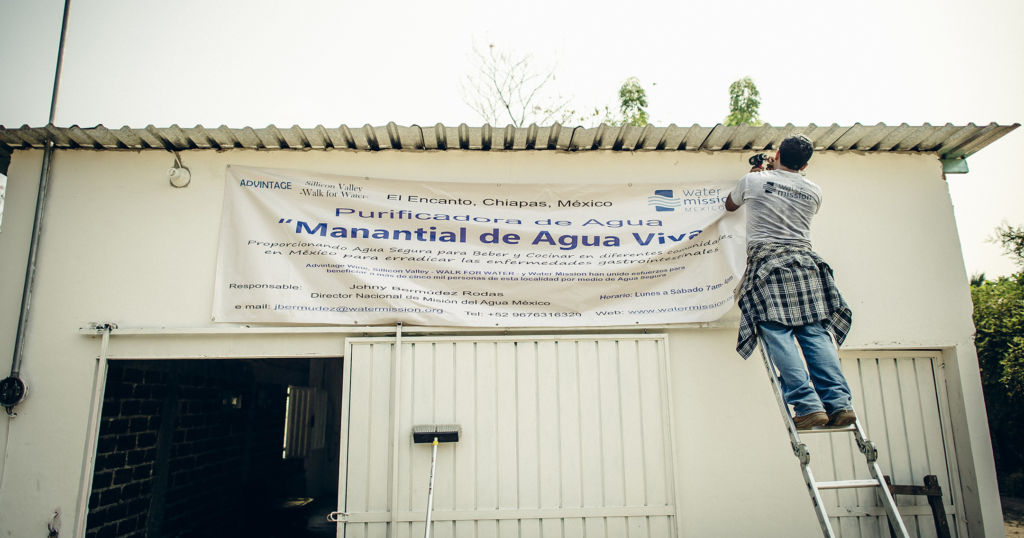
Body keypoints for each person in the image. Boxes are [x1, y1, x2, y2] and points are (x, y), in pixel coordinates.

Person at [725, 134, 856, 429]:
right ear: (806, 164)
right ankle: (839, 403)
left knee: (777, 332)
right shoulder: (814, 192)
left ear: (777, 152)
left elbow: (730, 205)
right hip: (807, 266)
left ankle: (809, 406)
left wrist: (758, 173)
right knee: (814, 333)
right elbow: (788, 193)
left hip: (769, 266)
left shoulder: (754, 182)